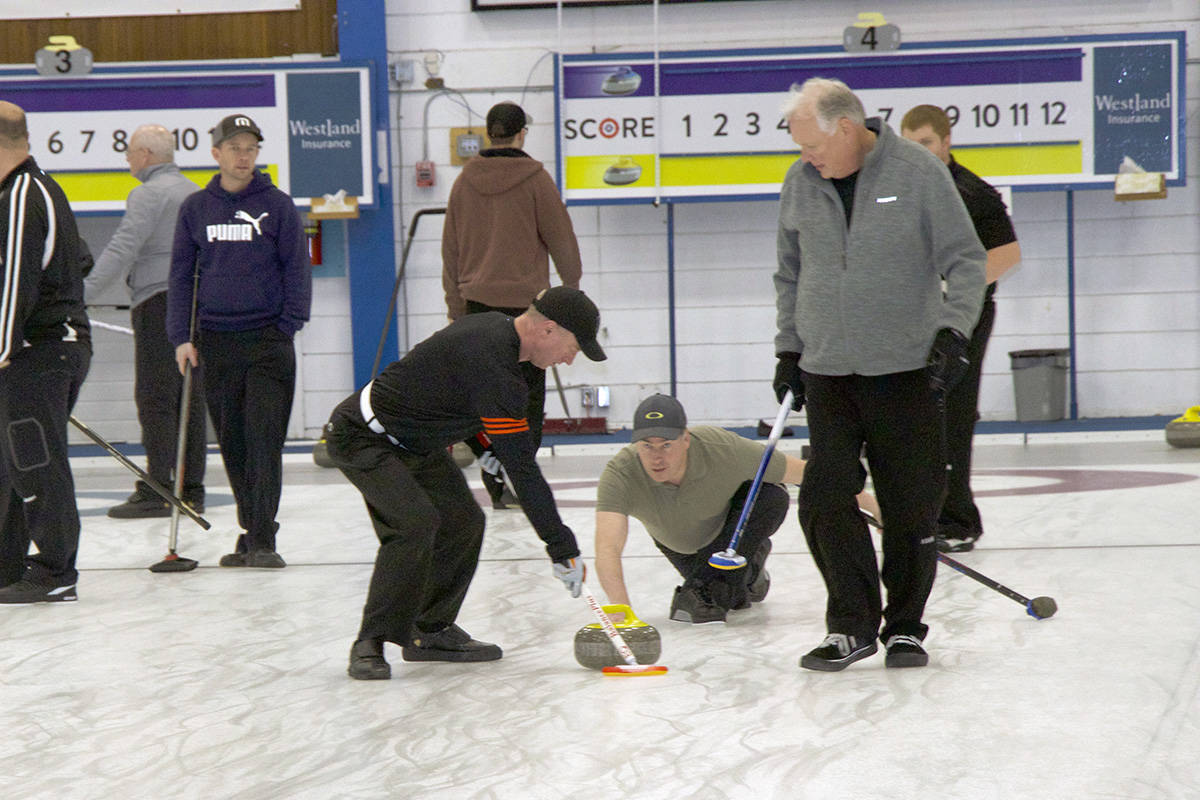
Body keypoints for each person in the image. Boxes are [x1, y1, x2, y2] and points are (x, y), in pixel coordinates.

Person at [773, 78, 986, 671]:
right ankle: (850, 625)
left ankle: (905, 627)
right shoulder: (800, 183)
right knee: (822, 497)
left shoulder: (917, 173)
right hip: (828, 372)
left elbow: (966, 260)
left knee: (910, 504)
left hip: (905, 371)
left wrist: (953, 330)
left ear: (846, 129)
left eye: (812, 146)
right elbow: (789, 273)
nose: (805, 158)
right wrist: (789, 349)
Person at [324, 286, 605, 681]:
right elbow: (523, 470)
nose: (570, 360)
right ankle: (369, 642)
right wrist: (561, 547)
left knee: (464, 522)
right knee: (415, 523)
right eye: (573, 347)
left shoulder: (526, 363)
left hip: (419, 445)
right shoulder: (489, 351)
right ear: (548, 330)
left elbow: (512, 437)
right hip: (363, 436)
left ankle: (429, 630)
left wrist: (491, 449)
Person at [594, 394, 884, 625]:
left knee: (771, 496)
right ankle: (751, 569)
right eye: (647, 446)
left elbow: (810, 475)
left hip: (726, 531)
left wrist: (877, 509)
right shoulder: (622, 472)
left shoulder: (720, 448)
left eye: (666, 445)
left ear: (685, 439)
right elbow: (607, 547)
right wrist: (621, 613)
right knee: (733, 597)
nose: (657, 457)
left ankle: (722, 577)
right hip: (681, 547)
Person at [167, 114, 311, 569]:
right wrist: (180, 337)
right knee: (233, 444)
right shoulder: (195, 209)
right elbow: (180, 277)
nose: (243, 155)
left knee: (264, 439)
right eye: (234, 147)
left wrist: (288, 325)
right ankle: (250, 530)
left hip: (268, 343)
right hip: (217, 342)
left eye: (250, 147)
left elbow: (297, 270)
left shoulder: (279, 206)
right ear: (216, 153)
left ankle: (264, 537)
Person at [442, 101, 583, 508]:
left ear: (489, 134)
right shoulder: (537, 180)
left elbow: (449, 252)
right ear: (522, 134)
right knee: (526, 401)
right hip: (528, 313)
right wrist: (570, 292)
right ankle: (518, 478)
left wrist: (456, 308)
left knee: (482, 395)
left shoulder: (464, 181)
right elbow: (563, 242)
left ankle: (494, 478)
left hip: (476, 308)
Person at [900, 104, 1022, 553]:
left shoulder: (974, 194)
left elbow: (1007, 256)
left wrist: (953, 290)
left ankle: (958, 519)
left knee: (953, 412)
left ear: (946, 141)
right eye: (911, 145)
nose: (921, 153)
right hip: (914, 317)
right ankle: (925, 514)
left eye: (927, 143)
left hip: (965, 316)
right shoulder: (903, 190)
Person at [84, 124, 206, 519]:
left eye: (130, 152)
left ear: (147, 155)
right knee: (189, 397)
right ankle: (191, 488)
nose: (127, 160)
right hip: (196, 305)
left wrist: (79, 296)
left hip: (158, 302)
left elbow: (122, 248)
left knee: (155, 397)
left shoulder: (147, 194)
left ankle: (158, 487)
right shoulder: (195, 192)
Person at [0, 101, 93, 603]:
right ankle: (8, 565)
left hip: (42, 351)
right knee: (10, 461)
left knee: (37, 460)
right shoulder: (25, 191)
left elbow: (16, 288)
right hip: (29, 352)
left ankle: (57, 569)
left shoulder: (21, 195)